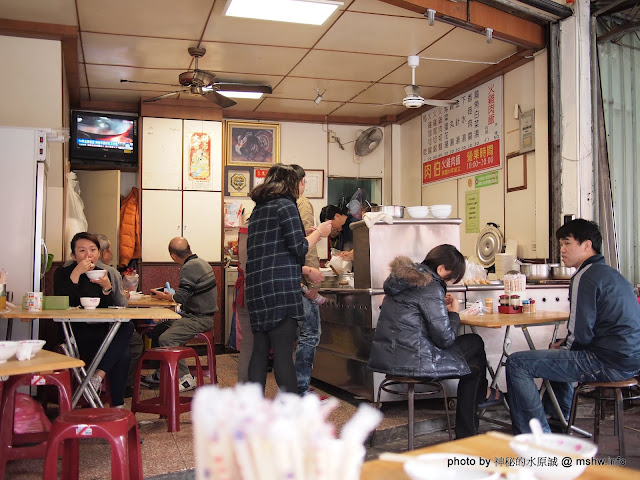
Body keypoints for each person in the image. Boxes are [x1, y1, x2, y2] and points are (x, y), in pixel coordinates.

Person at [506, 219, 640, 434]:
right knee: (558, 352)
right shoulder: (609, 274)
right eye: (561, 245)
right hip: (629, 361)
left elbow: (580, 333)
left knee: (516, 363)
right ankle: (558, 422)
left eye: (567, 244)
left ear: (587, 245)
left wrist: (563, 349)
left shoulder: (585, 276)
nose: (563, 250)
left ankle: (537, 438)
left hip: (606, 362)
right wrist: (563, 348)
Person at [368, 245, 503, 439]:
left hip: (390, 360)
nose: (447, 282)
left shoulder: (401, 281)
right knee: (475, 344)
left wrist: (440, 306)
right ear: (440, 269)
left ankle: (472, 422)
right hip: (416, 363)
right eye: (449, 278)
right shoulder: (430, 286)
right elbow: (445, 339)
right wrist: (454, 312)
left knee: (473, 366)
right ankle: (470, 425)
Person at [245, 164, 332, 394]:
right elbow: (299, 248)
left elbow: (275, 247)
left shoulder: (259, 210)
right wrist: (320, 233)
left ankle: (253, 412)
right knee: (283, 353)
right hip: (281, 289)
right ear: (291, 183)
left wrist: (307, 233)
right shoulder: (286, 205)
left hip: (257, 289)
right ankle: (292, 415)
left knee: (260, 351)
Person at [53, 232, 134, 407]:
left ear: (99, 253)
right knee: (123, 352)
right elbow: (61, 301)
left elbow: (111, 310)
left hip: (99, 334)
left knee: (127, 328)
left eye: (92, 250)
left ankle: (98, 378)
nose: (88, 255)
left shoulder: (102, 274)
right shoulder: (62, 273)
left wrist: (106, 288)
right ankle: (114, 403)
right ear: (73, 255)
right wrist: (76, 273)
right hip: (74, 336)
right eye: (82, 250)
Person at [143, 237, 218, 392]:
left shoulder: (189, 267)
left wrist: (166, 296)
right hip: (199, 315)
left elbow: (180, 298)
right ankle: (161, 373)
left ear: (173, 256)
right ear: (189, 247)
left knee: (167, 338)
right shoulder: (202, 262)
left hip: (199, 318)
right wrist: (167, 296)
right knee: (160, 329)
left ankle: (186, 378)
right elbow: (187, 292)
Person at [94, 234, 143, 396]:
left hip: (75, 331)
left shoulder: (68, 269)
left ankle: (99, 380)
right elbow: (121, 304)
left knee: (126, 333)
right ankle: (125, 387)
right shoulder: (109, 272)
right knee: (134, 341)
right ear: (104, 253)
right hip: (105, 327)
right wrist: (125, 295)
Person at [291, 165, 325, 396]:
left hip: (282, 281)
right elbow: (305, 245)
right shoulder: (301, 203)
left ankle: (293, 387)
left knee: (289, 336)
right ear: (302, 182)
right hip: (299, 280)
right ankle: (300, 388)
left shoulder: (271, 206)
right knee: (310, 333)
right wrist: (313, 282)